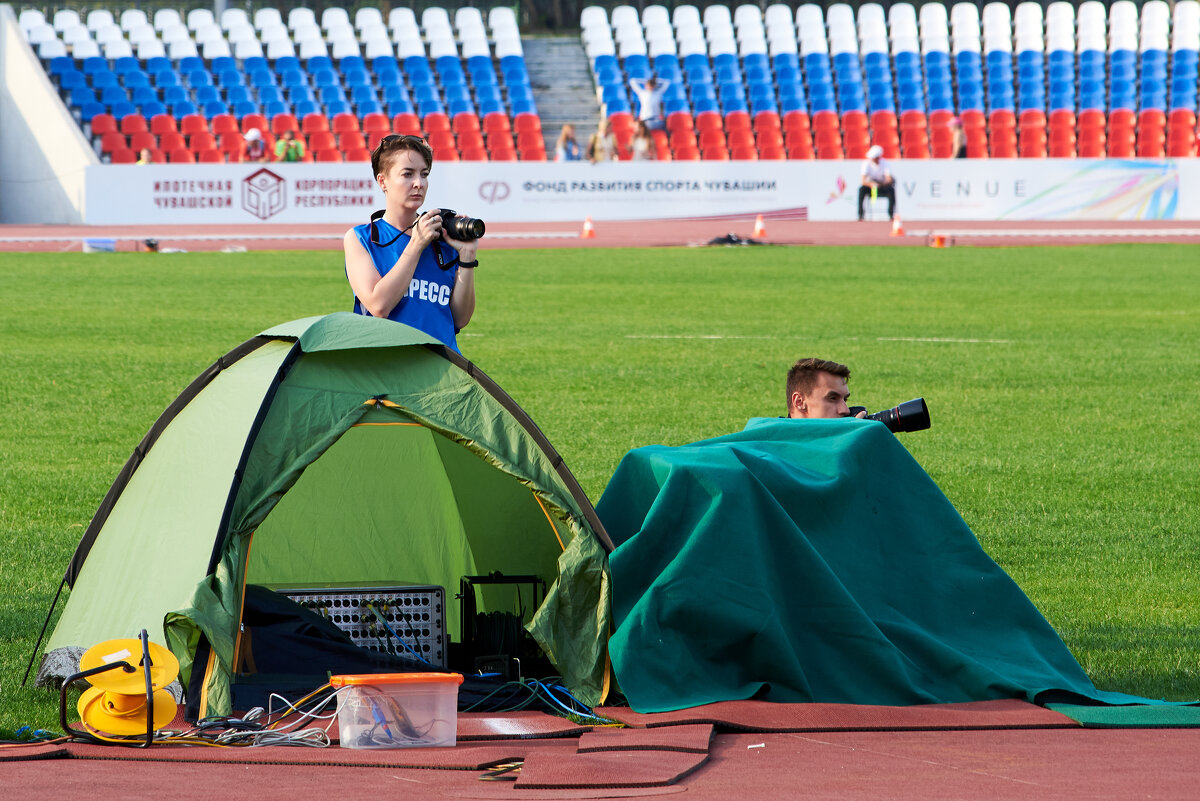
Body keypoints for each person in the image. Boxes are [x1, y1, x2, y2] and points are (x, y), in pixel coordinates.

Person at [343, 134, 476, 354]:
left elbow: (460, 319)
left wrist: (467, 257)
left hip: (443, 369)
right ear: (382, 181)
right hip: (390, 371)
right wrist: (416, 245)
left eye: (424, 174)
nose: (419, 183)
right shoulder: (362, 238)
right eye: (407, 174)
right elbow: (379, 306)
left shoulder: (442, 238)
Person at [786, 358, 866, 419]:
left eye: (845, 400)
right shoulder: (774, 439)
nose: (845, 410)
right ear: (799, 402)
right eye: (833, 398)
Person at [858, 145, 896, 221]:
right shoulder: (866, 164)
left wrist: (883, 184)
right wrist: (872, 184)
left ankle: (891, 214)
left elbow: (889, 179)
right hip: (871, 186)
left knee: (891, 190)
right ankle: (861, 214)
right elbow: (863, 181)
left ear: (878, 157)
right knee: (861, 190)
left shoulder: (885, 163)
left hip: (882, 185)